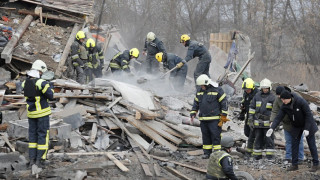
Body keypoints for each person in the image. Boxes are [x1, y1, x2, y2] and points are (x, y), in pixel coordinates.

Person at [267, 90, 319, 172]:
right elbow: (278, 117)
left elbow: (308, 115)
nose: (283, 101)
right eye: (282, 100)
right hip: (296, 126)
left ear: (289, 98)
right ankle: (294, 164)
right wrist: (272, 128)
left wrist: (307, 128)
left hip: (308, 124)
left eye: (284, 99)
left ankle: (316, 164)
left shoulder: (300, 101)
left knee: (311, 145)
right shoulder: (284, 106)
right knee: (294, 144)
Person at [22, 60, 54, 168]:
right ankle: (41, 160)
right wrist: (51, 86)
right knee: (43, 137)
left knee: (32, 137)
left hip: (31, 114)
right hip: (42, 114)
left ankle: (32, 159)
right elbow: (51, 95)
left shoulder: (24, 83)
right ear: (40, 71)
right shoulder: (42, 83)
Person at [190, 74, 228, 159]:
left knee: (215, 136)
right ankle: (207, 153)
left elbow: (224, 103)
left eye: (202, 85)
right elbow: (196, 103)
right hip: (203, 119)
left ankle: (217, 153)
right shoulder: (199, 91)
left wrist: (224, 115)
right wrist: (193, 113)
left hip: (215, 119)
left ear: (207, 84)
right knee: (206, 136)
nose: (201, 87)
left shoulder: (217, 90)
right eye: (200, 85)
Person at [271, 86, 304, 163]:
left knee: (299, 141)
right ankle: (288, 157)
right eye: (278, 95)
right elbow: (274, 111)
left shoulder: (295, 97)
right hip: (286, 124)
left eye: (280, 95)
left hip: (297, 123)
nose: (279, 97)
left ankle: (300, 157)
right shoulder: (277, 100)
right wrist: (272, 121)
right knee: (288, 141)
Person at [248, 78, 275, 160]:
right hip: (258, 122)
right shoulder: (257, 96)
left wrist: (274, 122)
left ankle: (269, 156)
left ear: (269, 88)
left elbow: (275, 110)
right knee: (258, 138)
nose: (265, 90)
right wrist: (250, 118)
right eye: (264, 88)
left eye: (266, 88)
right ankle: (257, 155)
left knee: (269, 139)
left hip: (268, 123)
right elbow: (252, 107)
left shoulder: (273, 97)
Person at [239, 78, 259, 157]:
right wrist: (242, 113)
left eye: (247, 89)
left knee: (252, 133)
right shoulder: (246, 93)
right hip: (248, 115)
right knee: (246, 132)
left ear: (252, 88)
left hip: (255, 116)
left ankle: (251, 151)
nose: (246, 91)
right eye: (245, 89)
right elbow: (244, 104)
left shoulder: (257, 94)